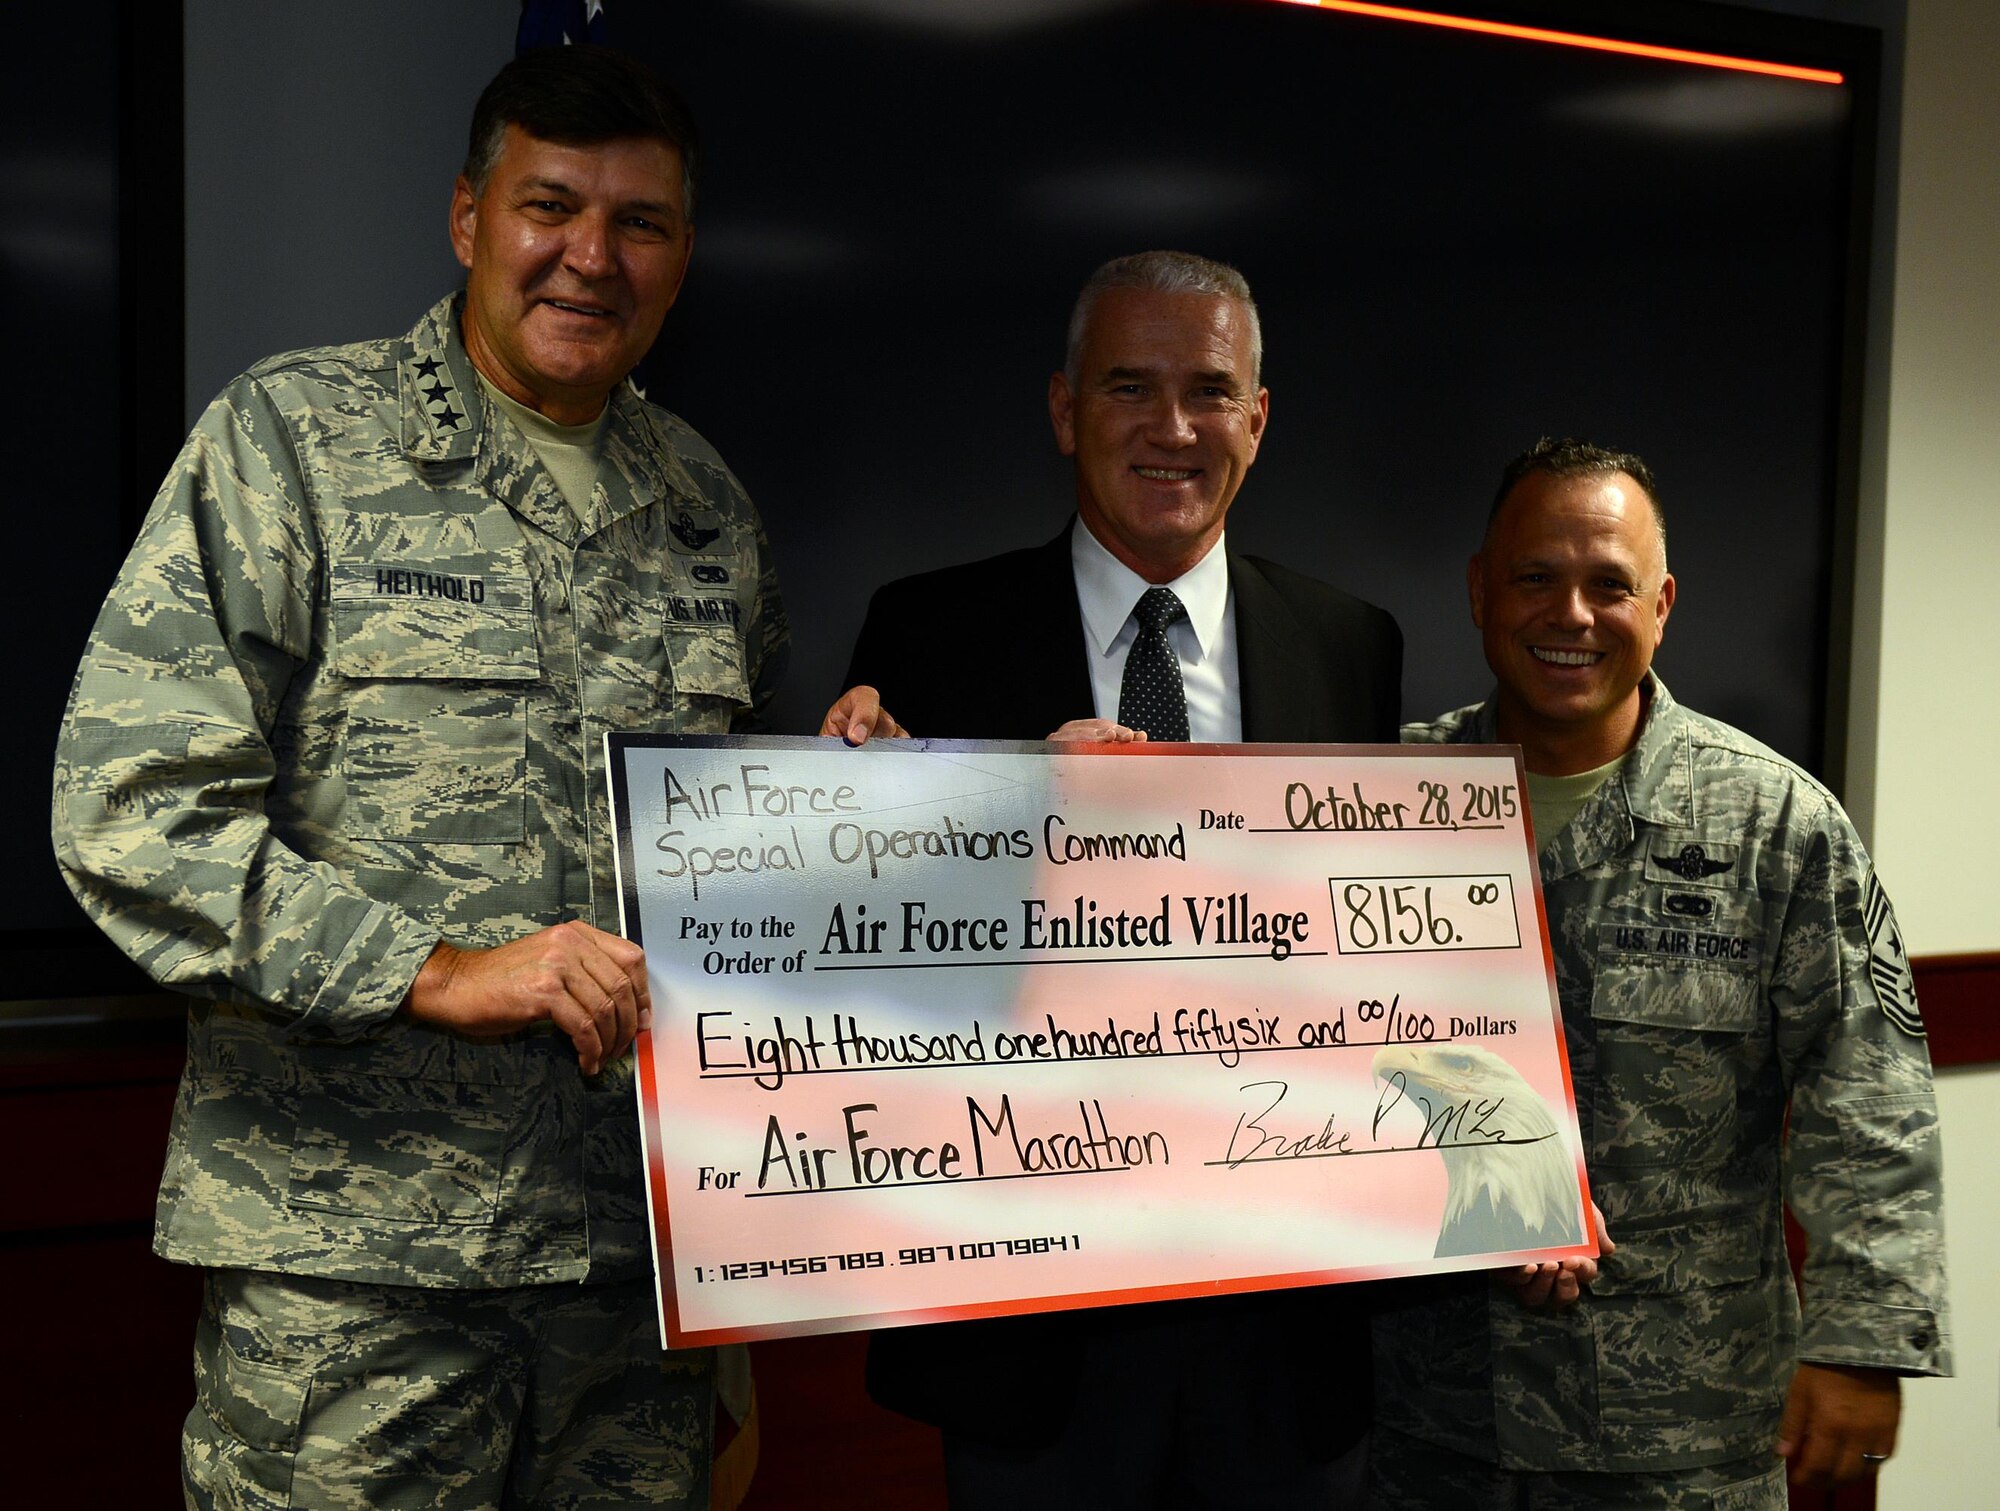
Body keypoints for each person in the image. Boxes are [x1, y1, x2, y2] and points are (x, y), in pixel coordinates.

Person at [51, 46, 786, 1510]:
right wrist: (435, 967)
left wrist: (858, 803)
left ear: (684, 258)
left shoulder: (709, 510)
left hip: (634, 1295)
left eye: (639, 223)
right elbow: (129, 812)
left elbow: (722, 883)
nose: (591, 256)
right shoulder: (293, 443)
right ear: (468, 218)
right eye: (550, 205)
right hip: (358, 1283)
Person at [825, 251, 1402, 1509]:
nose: (1173, 428)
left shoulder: (1352, 644)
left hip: (1284, 1317)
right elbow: (869, 989)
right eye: (1129, 387)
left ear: (1258, 416)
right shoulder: (924, 637)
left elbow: (1387, 967)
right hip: (1031, 1330)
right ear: (1062, 408)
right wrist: (964, 817)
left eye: (1209, 390)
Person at [1370, 438, 1951, 1508]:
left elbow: (1866, 1091)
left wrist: (1864, 1342)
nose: (1570, 615)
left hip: (1681, 1437)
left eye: (1608, 583)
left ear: (1662, 602)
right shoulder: (1374, 805)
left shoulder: (1775, 824)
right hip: (1423, 1423)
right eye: (1535, 576)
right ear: (1476, 588)